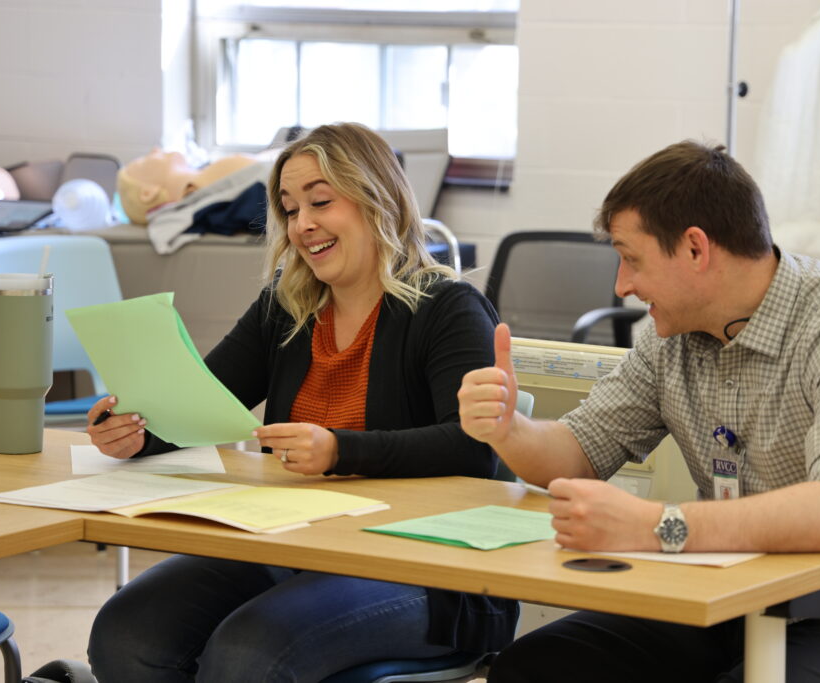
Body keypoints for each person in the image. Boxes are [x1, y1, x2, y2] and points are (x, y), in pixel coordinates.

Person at [458, 141, 820, 682]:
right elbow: (573, 455)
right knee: (537, 667)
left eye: (632, 258)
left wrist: (655, 526)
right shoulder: (671, 340)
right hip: (739, 600)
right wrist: (510, 429)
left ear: (695, 249)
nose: (622, 285)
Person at [86, 122, 517, 682]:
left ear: (377, 199)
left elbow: (471, 449)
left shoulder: (449, 308)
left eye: (320, 201)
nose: (302, 225)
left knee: (249, 653)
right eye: (289, 209)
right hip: (296, 544)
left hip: (430, 570)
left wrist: (340, 451)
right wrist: (136, 431)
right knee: (127, 631)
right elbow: (200, 405)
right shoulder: (284, 308)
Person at [117, 148, 259, 224]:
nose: (154, 150)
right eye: (142, 163)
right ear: (147, 193)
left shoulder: (208, 179)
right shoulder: (207, 191)